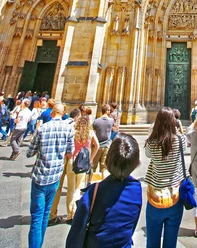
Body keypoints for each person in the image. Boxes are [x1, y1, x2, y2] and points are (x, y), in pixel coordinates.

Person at [66, 134, 142, 248]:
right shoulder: (136, 188)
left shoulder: (94, 192)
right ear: (136, 163)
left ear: (107, 161)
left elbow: (77, 231)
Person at [26, 102, 74, 248]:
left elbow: (29, 152)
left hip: (40, 175)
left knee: (37, 216)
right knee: (44, 213)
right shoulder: (68, 129)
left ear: (52, 112)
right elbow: (69, 152)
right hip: (55, 175)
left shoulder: (43, 128)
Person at [145, 106, 186, 248]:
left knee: (152, 240)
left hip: (155, 196)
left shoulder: (152, 142)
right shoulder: (180, 140)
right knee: (171, 239)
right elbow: (184, 146)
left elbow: (148, 154)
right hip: (175, 195)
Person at [48, 108, 81, 225]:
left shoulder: (62, 124)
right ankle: (71, 215)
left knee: (57, 187)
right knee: (72, 189)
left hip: (60, 159)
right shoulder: (78, 127)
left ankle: (51, 214)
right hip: (72, 158)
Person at [91, 104, 113, 180]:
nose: (110, 111)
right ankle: (104, 185)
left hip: (97, 146)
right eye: (109, 110)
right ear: (106, 111)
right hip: (106, 146)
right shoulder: (111, 121)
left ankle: (89, 183)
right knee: (104, 168)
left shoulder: (96, 121)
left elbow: (93, 133)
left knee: (93, 166)